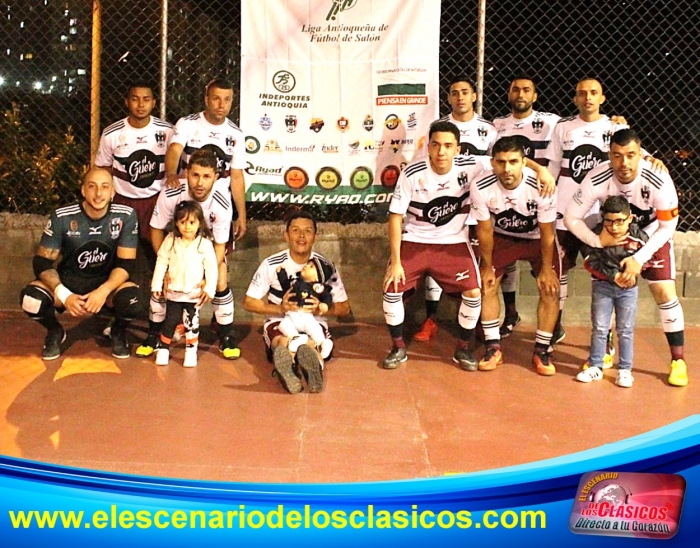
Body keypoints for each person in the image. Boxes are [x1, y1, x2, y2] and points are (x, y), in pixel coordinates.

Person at [415, 76, 555, 343]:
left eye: (464, 92)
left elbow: (507, 158)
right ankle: (431, 319)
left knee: (486, 262)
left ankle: (497, 316)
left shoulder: (490, 129)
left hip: (483, 204)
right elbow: (426, 164)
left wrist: (540, 170)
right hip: (450, 205)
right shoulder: (439, 128)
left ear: (474, 96)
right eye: (454, 93)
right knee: (439, 256)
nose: (459, 97)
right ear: (448, 98)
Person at [545, 77, 665, 349]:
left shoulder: (614, 127)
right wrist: (548, 203)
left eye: (593, 93)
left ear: (602, 98)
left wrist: (652, 160)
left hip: (598, 218)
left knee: (604, 275)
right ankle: (555, 328)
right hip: (566, 213)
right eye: (582, 93)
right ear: (575, 99)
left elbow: (633, 153)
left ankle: (605, 334)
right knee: (559, 272)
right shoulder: (562, 127)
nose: (587, 97)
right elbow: (553, 167)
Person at [565, 128, 688, 387]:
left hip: (651, 235)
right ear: (609, 155)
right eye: (617, 156)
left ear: (640, 155)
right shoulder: (597, 176)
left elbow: (669, 224)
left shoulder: (657, 177)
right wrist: (598, 241)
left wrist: (640, 257)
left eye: (631, 155)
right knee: (608, 291)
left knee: (665, 293)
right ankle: (606, 350)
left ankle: (678, 360)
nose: (624, 163)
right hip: (613, 236)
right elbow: (571, 217)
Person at [382, 120, 484, 371]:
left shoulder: (474, 166)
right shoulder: (412, 173)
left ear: (457, 149)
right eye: (436, 145)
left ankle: (463, 349)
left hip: (454, 242)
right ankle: (398, 348)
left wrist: (541, 171)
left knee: (473, 292)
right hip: (415, 239)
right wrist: (395, 262)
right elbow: (395, 216)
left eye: (448, 146)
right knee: (392, 287)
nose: (441, 152)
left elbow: (509, 159)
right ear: (428, 146)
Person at [19, 168, 143, 360]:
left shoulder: (125, 215)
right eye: (92, 187)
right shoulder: (62, 216)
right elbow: (42, 262)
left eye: (105, 187)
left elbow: (126, 264)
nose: (99, 194)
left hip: (106, 286)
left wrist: (102, 292)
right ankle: (55, 332)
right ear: (83, 190)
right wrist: (64, 294)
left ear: (113, 192)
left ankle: (117, 331)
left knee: (133, 300)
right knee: (31, 299)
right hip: (69, 283)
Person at [137, 149, 239, 359]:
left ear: (216, 178)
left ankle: (226, 336)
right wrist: (166, 267)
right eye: (195, 175)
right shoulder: (172, 192)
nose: (200, 182)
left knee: (219, 278)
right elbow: (156, 229)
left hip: (206, 250)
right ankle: (154, 335)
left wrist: (205, 277)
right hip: (175, 245)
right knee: (162, 283)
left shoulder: (222, 202)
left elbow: (220, 245)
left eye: (206, 176)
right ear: (186, 173)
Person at [470, 137, 560, 375]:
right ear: (493, 163)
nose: (507, 168)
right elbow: (485, 229)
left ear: (524, 162)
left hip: (535, 238)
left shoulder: (541, 185)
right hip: (502, 236)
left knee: (551, 287)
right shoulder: (481, 185)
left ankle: (542, 350)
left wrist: (547, 268)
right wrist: (488, 266)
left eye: (513, 161)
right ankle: (493, 347)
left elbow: (546, 230)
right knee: (486, 284)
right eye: (500, 162)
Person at [243, 211, 350, 394]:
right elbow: (249, 302)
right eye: (296, 230)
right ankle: (296, 365)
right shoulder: (272, 264)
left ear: (315, 237)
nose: (301, 236)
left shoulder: (325, 268)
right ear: (286, 235)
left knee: (312, 337)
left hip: (313, 321)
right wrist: (280, 308)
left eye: (308, 231)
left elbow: (344, 307)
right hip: (281, 320)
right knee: (282, 338)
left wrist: (320, 310)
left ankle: (299, 368)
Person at [492, 74, 561, 338]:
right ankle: (510, 314)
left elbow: (583, 127)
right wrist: (537, 167)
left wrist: (615, 122)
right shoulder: (497, 125)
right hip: (507, 197)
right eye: (515, 90)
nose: (520, 94)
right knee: (505, 265)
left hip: (540, 200)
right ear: (509, 95)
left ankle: (555, 325)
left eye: (526, 90)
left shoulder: (551, 122)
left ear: (535, 96)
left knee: (550, 272)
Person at [95, 82, 174, 267]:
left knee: (158, 255)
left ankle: (160, 292)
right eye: (135, 99)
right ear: (126, 102)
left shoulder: (167, 131)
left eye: (146, 99)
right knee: (119, 255)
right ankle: (121, 292)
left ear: (154, 103)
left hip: (156, 200)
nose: (140, 104)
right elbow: (102, 169)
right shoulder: (111, 133)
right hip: (123, 201)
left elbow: (177, 163)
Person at [576, 196, 647, 387]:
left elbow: (647, 259)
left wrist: (635, 270)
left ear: (630, 218)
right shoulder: (596, 236)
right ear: (602, 218)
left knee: (625, 330)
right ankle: (595, 366)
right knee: (600, 327)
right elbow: (590, 261)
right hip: (602, 287)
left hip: (628, 290)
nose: (614, 227)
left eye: (620, 221)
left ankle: (625, 370)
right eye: (609, 221)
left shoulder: (639, 238)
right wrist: (613, 276)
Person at [164, 77, 247, 242]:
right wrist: (171, 174)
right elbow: (174, 150)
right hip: (189, 197)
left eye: (227, 99)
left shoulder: (236, 134)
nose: (222, 105)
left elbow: (237, 176)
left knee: (216, 253)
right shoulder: (188, 123)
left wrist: (242, 216)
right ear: (206, 100)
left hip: (218, 203)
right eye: (216, 99)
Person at [151, 201, 218, 368]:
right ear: (176, 223)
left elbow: (211, 267)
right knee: (170, 320)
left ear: (200, 223)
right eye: (182, 222)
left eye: (192, 222)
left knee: (192, 323)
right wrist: (157, 285)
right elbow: (161, 262)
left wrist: (210, 288)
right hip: (174, 292)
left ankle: (191, 351)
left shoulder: (205, 244)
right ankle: (164, 349)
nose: (187, 227)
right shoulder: (171, 240)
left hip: (193, 294)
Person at [276, 257, 336, 359]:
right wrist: (281, 273)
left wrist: (324, 305)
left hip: (307, 316)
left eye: (311, 267)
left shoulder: (318, 287)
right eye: (307, 264)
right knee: (283, 325)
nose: (306, 266)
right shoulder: (295, 282)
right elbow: (285, 284)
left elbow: (327, 296)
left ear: (318, 278)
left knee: (314, 329)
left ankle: (323, 343)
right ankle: (296, 337)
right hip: (291, 315)